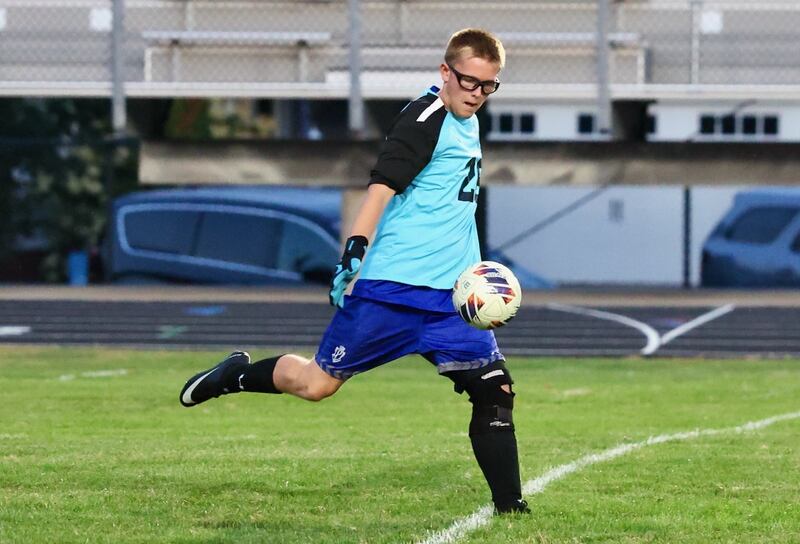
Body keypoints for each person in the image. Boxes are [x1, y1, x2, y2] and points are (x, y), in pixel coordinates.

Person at [179, 28, 528, 515]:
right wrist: (352, 255)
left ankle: (511, 510)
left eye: (488, 86)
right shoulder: (422, 120)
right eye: (469, 81)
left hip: (450, 299)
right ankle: (232, 376)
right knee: (317, 385)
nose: (477, 94)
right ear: (445, 71)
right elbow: (380, 191)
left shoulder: (466, 118)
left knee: (495, 390)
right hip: (392, 291)